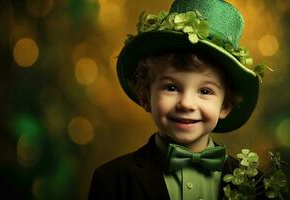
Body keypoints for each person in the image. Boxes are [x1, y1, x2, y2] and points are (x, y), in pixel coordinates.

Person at [88, 0, 265, 199]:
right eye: (171, 88)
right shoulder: (113, 180)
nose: (187, 104)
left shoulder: (255, 185)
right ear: (146, 95)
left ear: (225, 105)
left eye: (205, 91)